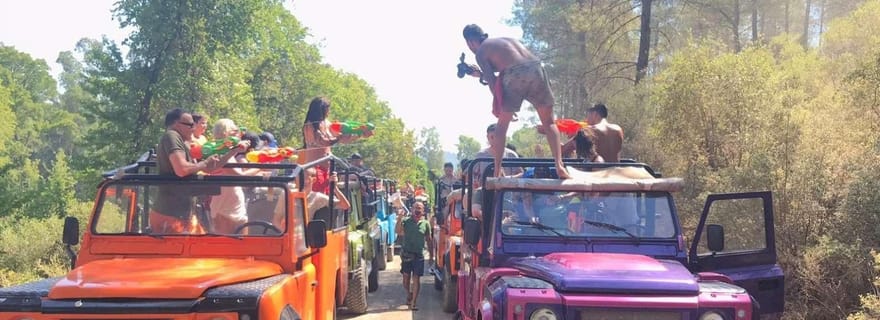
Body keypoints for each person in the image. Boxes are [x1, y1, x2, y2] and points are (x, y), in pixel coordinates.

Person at [462, 24, 569, 179]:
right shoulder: (504, 41)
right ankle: (559, 165)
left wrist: (501, 104)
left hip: (515, 73)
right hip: (536, 68)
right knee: (549, 122)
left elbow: (494, 81)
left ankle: (498, 171)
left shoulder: (481, 52)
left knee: (501, 126)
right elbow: (509, 66)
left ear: (470, 42)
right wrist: (480, 74)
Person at [152, 109, 245, 234]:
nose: (194, 127)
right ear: (176, 124)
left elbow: (210, 167)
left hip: (183, 213)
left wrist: (234, 151)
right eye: (190, 125)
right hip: (170, 214)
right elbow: (182, 169)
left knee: (203, 247)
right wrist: (204, 163)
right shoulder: (171, 136)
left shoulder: (182, 142)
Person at [301, 97, 372, 193]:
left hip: (328, 169)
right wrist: (338, 138)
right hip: (314, 169)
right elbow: (322, 141)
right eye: (327, 108)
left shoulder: (328, 123)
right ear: (321, 109)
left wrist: (360, 133)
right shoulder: (309, 125)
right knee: (317, 197)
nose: (329, 111)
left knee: (328, 199)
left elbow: (344, 139)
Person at [209, 119, 264, 234]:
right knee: (226, 249)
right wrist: (261, 166)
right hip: (223, 210)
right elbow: (240, 177)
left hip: (237, 207)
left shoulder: (230, 153)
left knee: (244, 247)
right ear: (225, 133)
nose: (239, 133)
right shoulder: (219, 153)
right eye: (234, 130)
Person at [395, 201, 432, 310]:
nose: (417, 210)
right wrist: (399, 219)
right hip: (407, 255)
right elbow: (397, 231)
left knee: (416, 279)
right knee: (406, 280)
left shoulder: (426, 224)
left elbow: (429, 240)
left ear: (423, 211)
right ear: (411, 210)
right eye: (416, 207)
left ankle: (413, 303)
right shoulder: (406, 221)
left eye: (420, 208)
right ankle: (409, 293)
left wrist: (431, 255)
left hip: (419, 256)